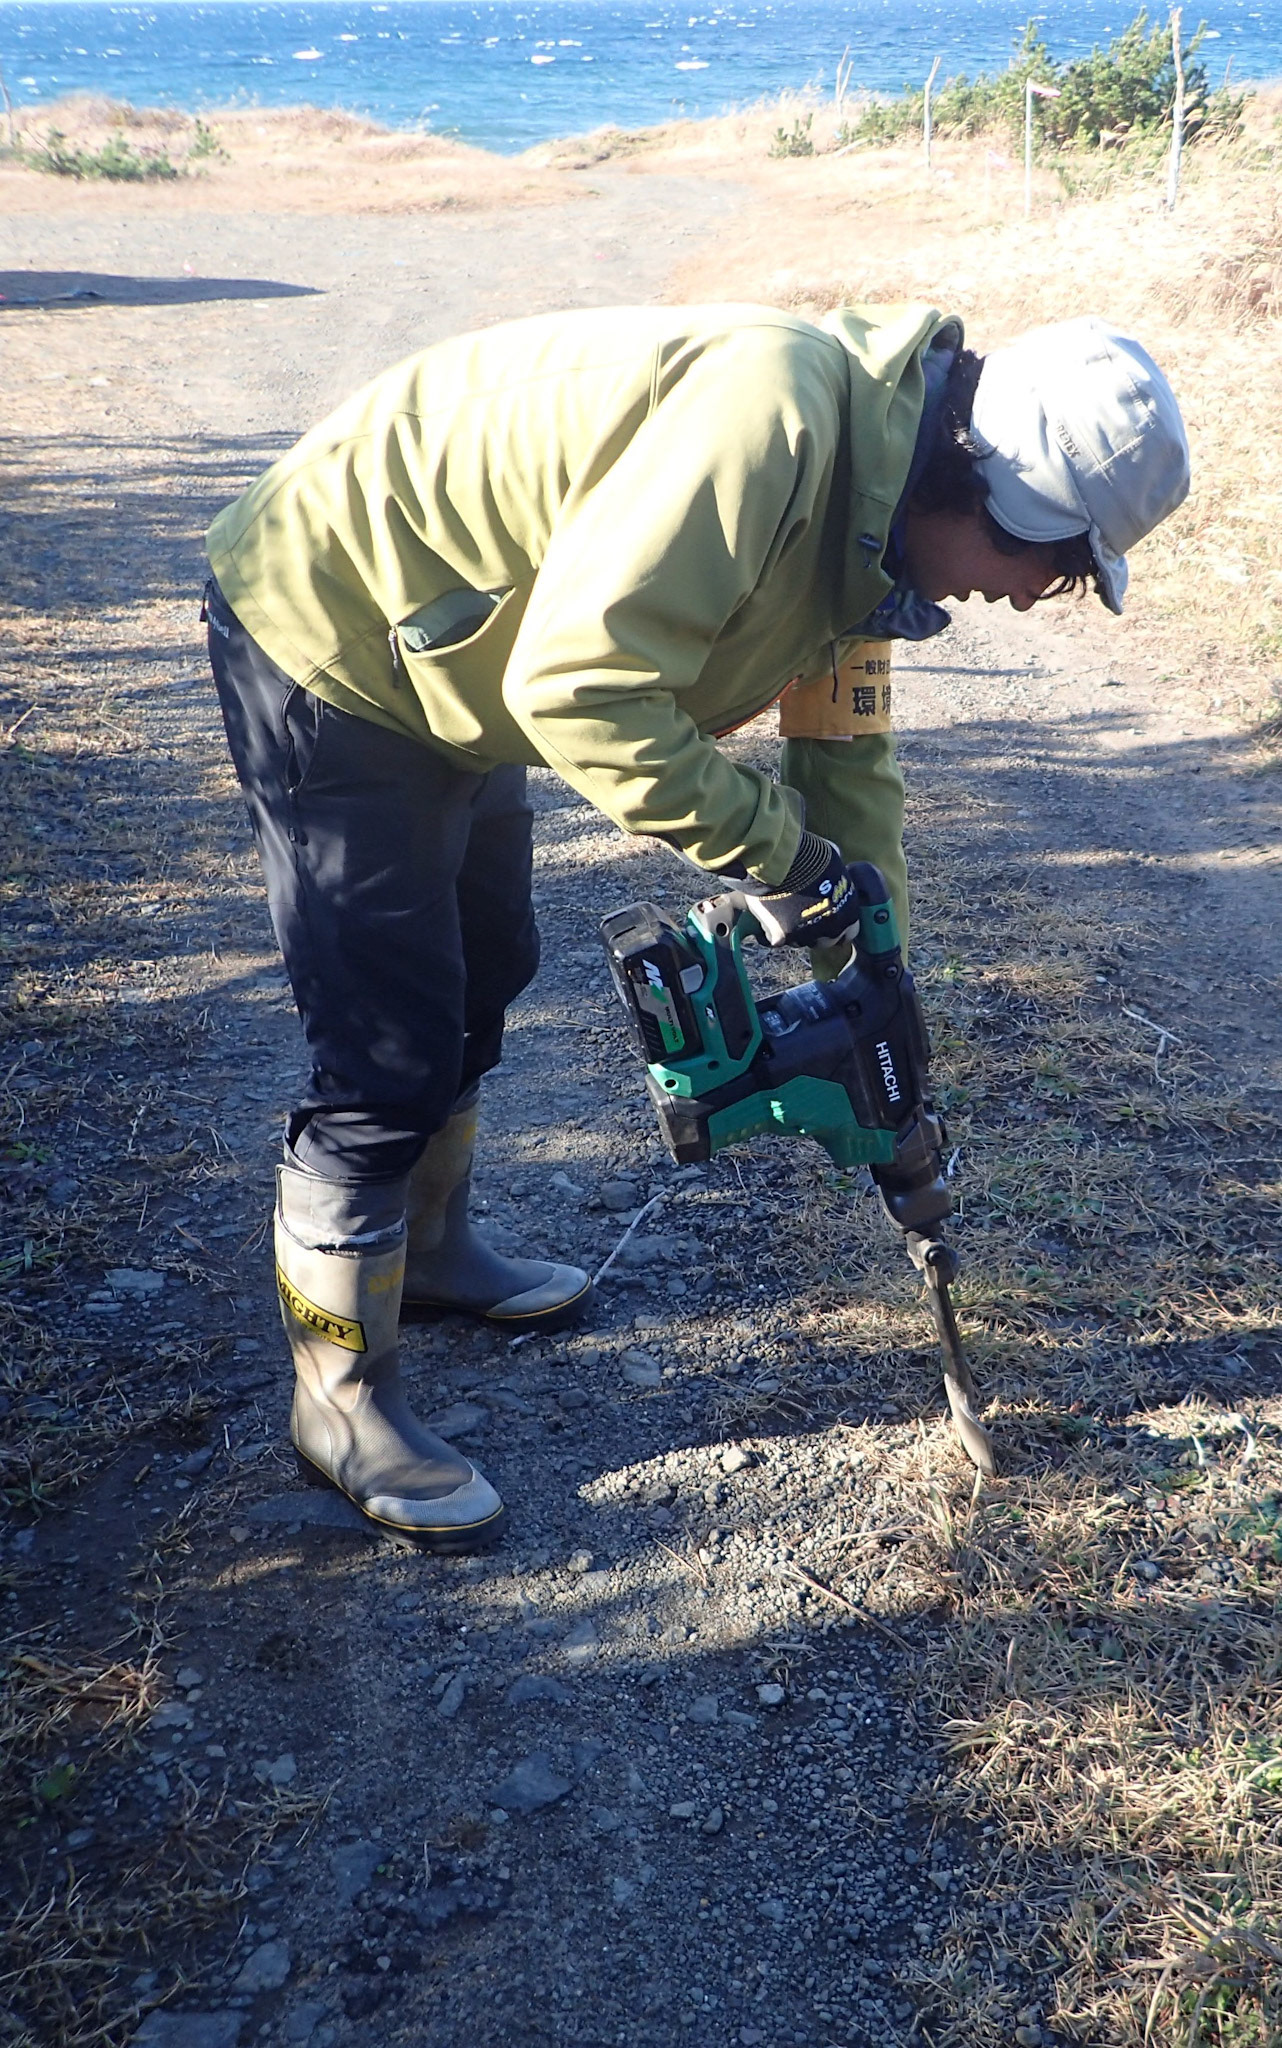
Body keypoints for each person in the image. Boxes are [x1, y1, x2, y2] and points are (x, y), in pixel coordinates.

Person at [204, 302, 1189, 1553]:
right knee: (384, 1051)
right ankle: (337, 1395)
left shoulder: (875, 535)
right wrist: (774, 857)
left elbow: (843, 769)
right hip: (338, 624)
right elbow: (579, 690)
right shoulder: (770, 426)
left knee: (487, 968)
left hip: (462, 659)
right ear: (980, 492)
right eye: (1047, 571)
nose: (1032, 603)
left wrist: (870, 964)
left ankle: (437, 1247)